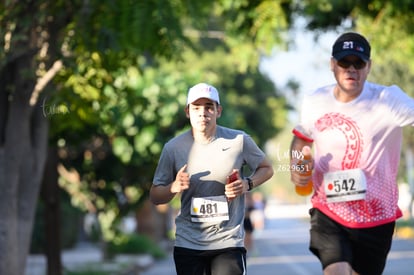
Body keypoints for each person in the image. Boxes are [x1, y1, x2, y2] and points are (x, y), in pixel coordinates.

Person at [290, 32, 414, 275]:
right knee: (338, 271)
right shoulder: (315, 101)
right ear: (332, 65)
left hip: (377, 214)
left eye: (358, 63)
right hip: (328, 209)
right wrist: (297, 168)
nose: (351, 69)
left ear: (369, 67)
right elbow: (301, 139)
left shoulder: (388, 99)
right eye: (344, 62)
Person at [150, 82, 274, 275]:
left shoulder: (238, 141)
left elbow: (266, 168)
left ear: (219, 111)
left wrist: (247, 184)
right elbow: (156, 196)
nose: (203, 113)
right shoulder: (173, 148)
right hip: (189, 242)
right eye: (196, 108)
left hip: (228, 240)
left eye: (209, 107)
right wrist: (173, 187)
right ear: (187, 111)